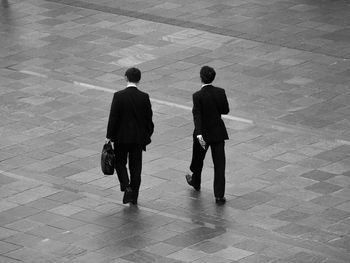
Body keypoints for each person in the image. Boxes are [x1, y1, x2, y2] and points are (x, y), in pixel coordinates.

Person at [106, 67, 154, 205]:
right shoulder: (144, 97)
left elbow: (113, 118)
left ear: (125, 78)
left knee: (120, 162)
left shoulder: (118, 95)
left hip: (121, 138)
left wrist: (109, 136)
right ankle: (134, 196)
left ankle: (126, 186)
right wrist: (147, 134)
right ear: (139, 79)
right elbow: (148, 119)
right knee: (136, 167)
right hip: (138, 139)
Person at [185, 66, 229, 205]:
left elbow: (197, 117)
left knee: (198, 159)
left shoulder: (197, 96)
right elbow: (225, 110)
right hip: (218, 134)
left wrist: (199, 135)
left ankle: (196, 182)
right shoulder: (220, 92)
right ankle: (219, 196)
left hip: (203, 136)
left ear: (201, 77)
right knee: (219, 164)